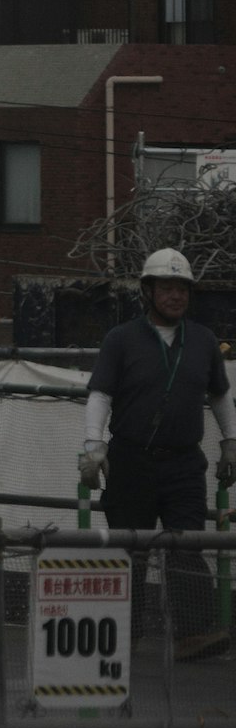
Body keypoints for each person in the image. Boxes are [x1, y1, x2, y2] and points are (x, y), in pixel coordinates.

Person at [82, 249, 233, 663]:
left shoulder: (202, 340)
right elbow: (100, 394)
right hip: (132, 460)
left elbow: (220, 395)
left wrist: (230, 442)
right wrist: (93, 448)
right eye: (166, 288)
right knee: (129, 548)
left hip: (184, 462)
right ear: (148, 292)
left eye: (181, 289)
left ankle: (192, 634)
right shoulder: (121, 339)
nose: (175, 296)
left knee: (187, 544)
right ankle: (121, 636)